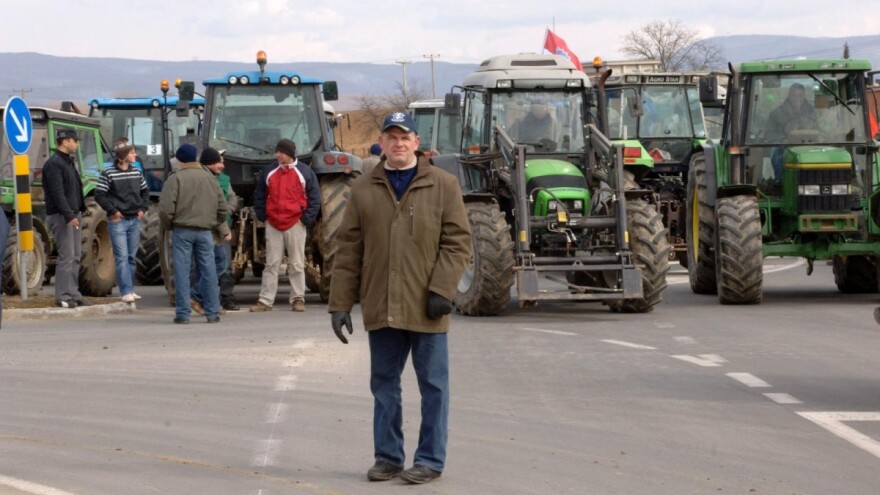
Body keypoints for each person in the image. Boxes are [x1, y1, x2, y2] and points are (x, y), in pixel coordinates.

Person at [328, 112, 472, 485]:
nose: (398, 143)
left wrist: (442, 289)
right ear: (383, 142)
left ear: (416, 142)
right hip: (381, 304)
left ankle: (430, 460)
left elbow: (458, 243)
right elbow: (348, 251)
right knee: (384, 386)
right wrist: (340, 303)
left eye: (404, 137)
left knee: (434, 387)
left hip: (428, 305)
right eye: (391, 137)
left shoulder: (443, 185)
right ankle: (388, 457)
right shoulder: (362, 188)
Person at [158, 144, 230, 324]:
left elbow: (166, 209)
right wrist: (213, 222)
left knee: (182, 272)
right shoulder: (210, 178)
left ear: (180, 160)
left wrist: (170, 225)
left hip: (182, 231)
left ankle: (183, 314)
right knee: (209, 271)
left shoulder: (175, 179)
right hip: (205, 232)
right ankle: (212, 313)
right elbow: (222, 208)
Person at [250, 139, 321, 313]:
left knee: (297, 263)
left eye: (280, 152)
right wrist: (263, 216)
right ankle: (266, 301)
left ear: (289, 154)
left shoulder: (304, 172)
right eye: (277, 152)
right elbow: (259, 195)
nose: (277, 155)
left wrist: (305, 220)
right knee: (271, 263)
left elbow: (315, 198)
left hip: (295, 223)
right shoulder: (269, 172)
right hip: (273, 223)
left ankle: (298, 298)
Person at [95, 138, 150, 303]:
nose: (135, 155)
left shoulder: (137, 172)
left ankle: (130, 289)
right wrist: (113, 211)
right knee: (122, 257)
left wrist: (143, 209)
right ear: (124, 155)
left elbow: (145, 192)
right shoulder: (108, 173)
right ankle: (125, 291)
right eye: (132, 152)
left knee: (131, 257)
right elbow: (99, 195)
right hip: (118, 221)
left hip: (135, 219)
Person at [42, 129, 91, 309]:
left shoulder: (68, 162)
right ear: (65, 142)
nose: (77, 144)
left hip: (74, 215)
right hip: (62, 216)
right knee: (67, 256)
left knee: (76, 256)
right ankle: (62, 296)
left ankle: (74, 294)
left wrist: (79, 211)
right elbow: (57, 193)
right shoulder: (54, 164)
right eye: (74, 141)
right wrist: (69, 215)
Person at [190, 147, 240, 314]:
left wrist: (228, 210)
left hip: (219, 227)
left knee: (220, 265)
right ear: (210, 163)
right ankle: (197, 296)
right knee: (212, 265)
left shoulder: (222, 180)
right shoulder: (206, 180)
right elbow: (212, 209)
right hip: (211, 230)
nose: (223, 165)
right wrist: (225, 227)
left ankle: (208, 300)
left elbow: (231, 199)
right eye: (220, 161)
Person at [765, 83, 819, 178]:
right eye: (794, 95)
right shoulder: (777, 113)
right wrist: (782, 139)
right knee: (776, 151)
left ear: (804, 96)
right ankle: (780, 181)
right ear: (789, 96)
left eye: (800, 95)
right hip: (784, 147)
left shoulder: (813, 112)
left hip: (809, 145)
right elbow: (769, 133)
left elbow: (822, 130)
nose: (797, 98)